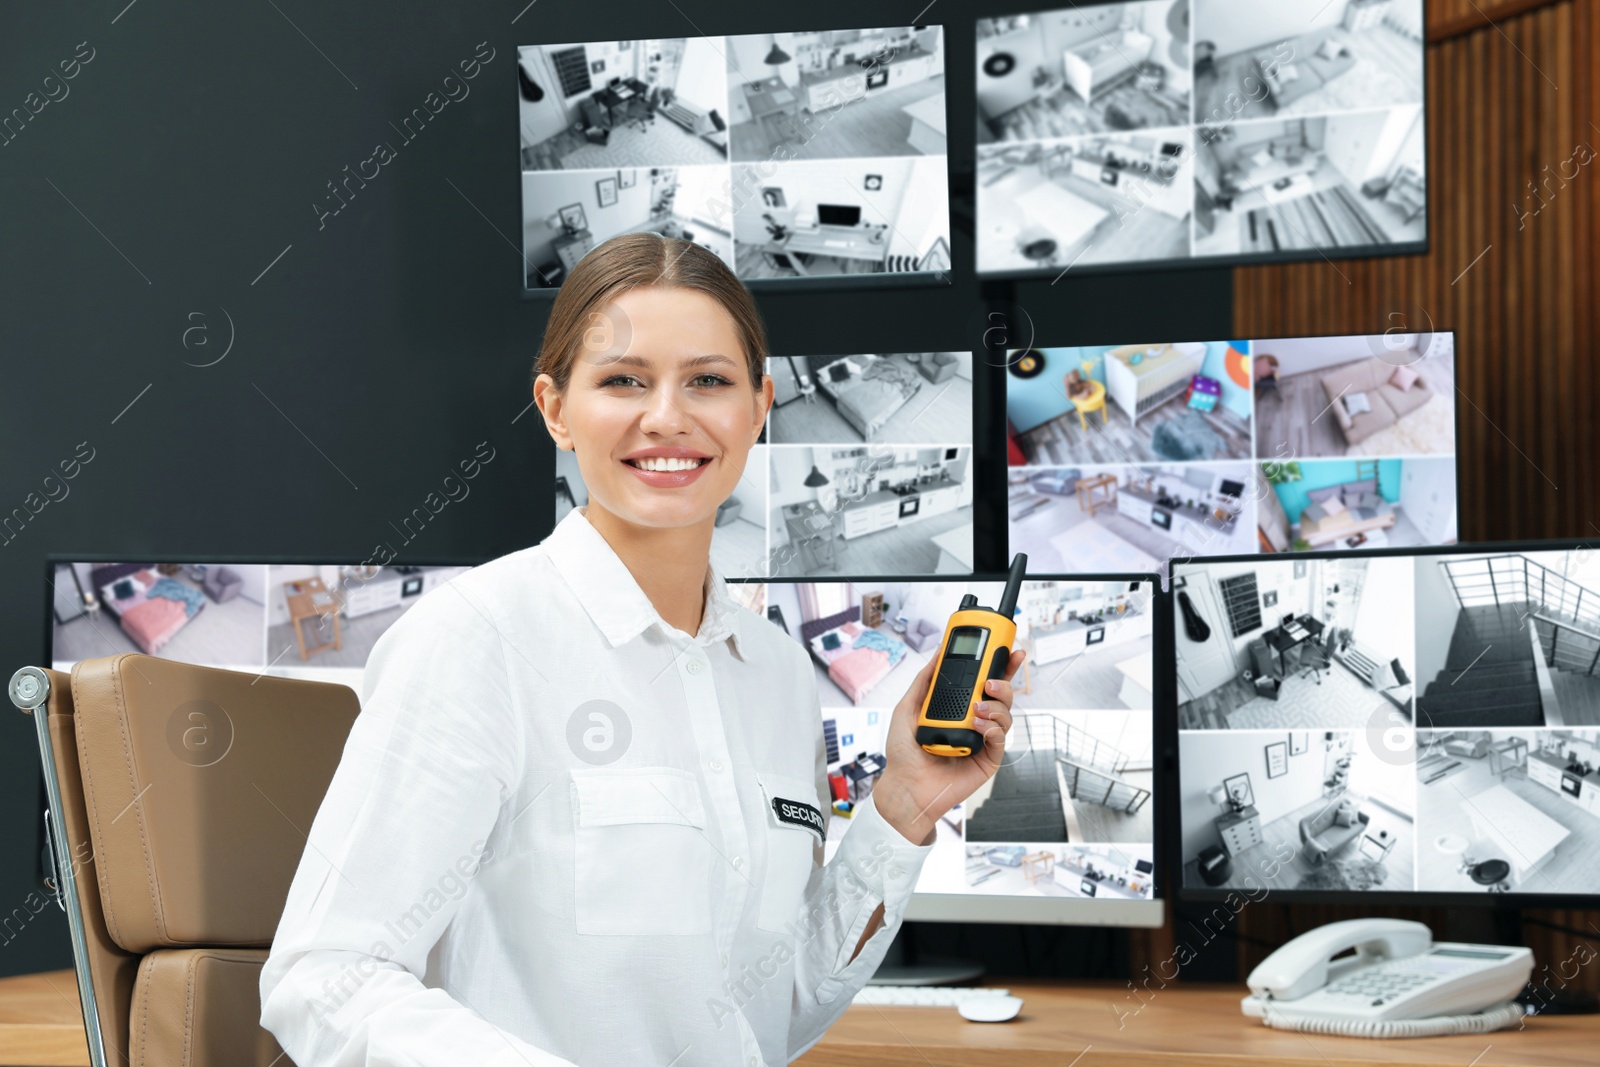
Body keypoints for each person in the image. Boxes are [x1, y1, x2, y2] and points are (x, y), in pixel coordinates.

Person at [259, 232, 1021, 1066]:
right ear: (555, 409)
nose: (668, 415)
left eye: (709, 381)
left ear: (760, 407)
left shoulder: (777, 675)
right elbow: (326, 977)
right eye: (623, 380)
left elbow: (775, 1003)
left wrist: (905, 807)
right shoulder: (475, 640)